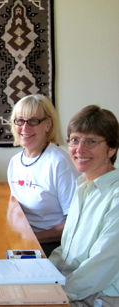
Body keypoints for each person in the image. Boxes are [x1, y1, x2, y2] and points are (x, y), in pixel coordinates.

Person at [49, 105, 119, 306]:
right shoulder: (81, 186)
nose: (80, 149)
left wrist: (52, 293)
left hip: (100, 297)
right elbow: (66, 251)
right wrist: (40, 273)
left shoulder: (116, 197)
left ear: (112, 148)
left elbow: (101, 266)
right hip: (71, 286)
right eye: (75, 140)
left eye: (91, 141)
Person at [7, 94, 79, 256]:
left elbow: (74, 224)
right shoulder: (15, 162)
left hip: (54, 244)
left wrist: (30, 238)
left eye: (33, 121)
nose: (25, 128)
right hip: (25, 238)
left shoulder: (59, 163)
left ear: (48, 125)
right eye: (20, 120)